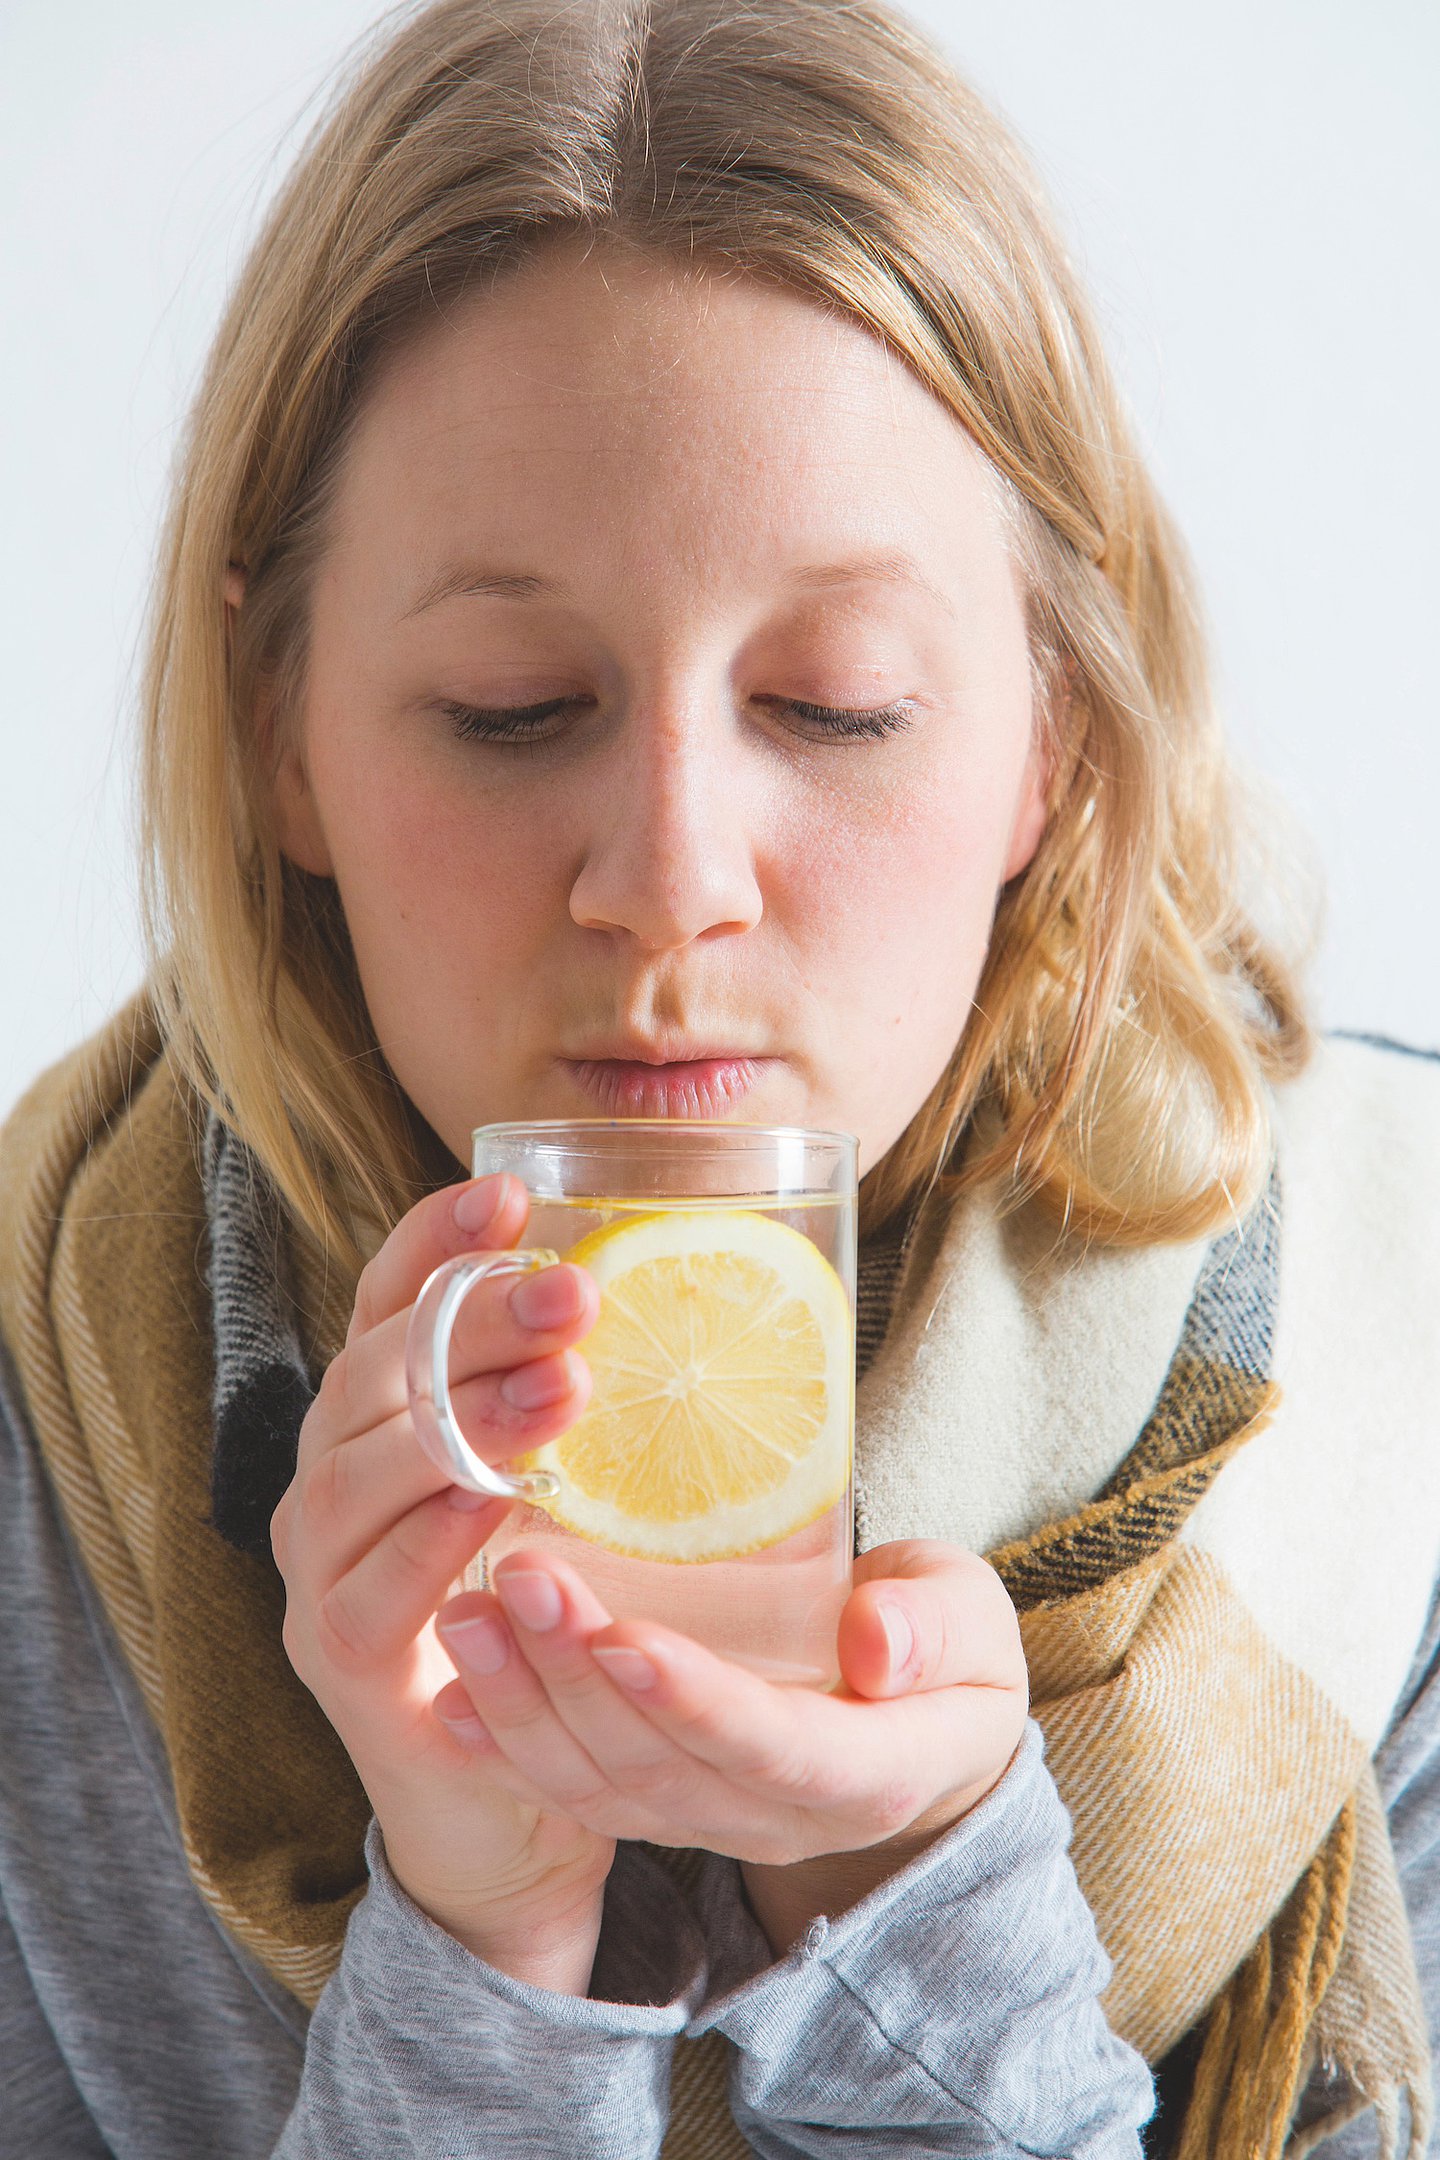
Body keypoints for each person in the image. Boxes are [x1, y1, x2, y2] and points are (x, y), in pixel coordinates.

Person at [1, 0, 1436, 2153]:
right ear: (277, 725)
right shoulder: (44, 1440)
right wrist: (476, 1956)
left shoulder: (1389, 1382)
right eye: (509, 704)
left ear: (1051, 728)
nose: (669, 889)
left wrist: (914, 1908)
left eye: (839, 705)